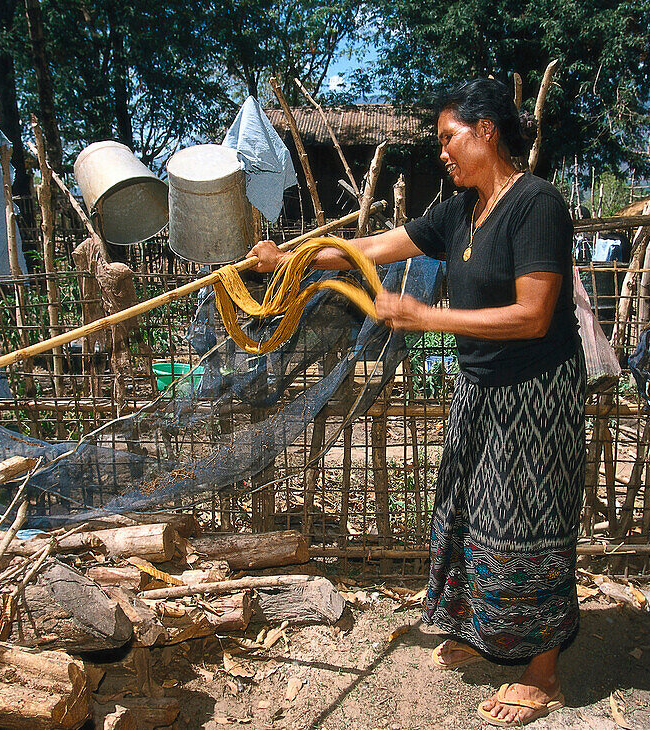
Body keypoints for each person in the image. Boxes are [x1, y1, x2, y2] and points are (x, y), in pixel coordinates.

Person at [250, 77, 584, 727]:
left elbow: (536, 314)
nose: (442, 152)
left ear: (486, 131)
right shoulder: (461, 209)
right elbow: (371, 247)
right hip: (481, 385)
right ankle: (479, 631)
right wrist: (287, 258)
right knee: (465, 511)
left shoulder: (536, 205)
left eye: (448, 137)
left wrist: (427, 316)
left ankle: (542, 674)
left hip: (535, 394)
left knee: (525, 526)